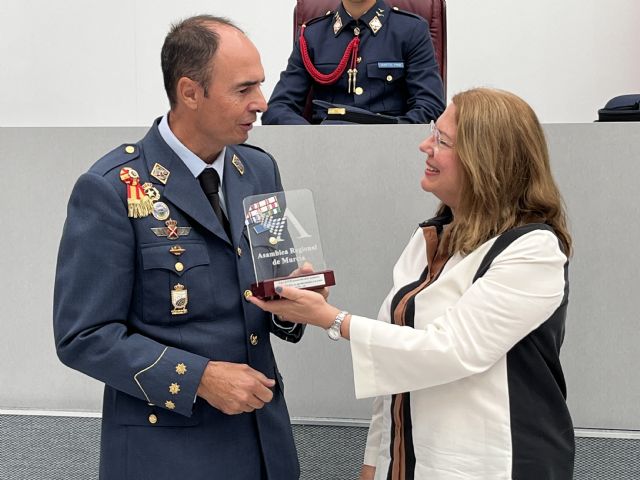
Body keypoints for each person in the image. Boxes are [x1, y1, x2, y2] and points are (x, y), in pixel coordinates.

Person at [250, 88, 575, 479]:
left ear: (486, 159)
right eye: (432, 132)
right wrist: (375, 462)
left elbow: (450, 350)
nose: (425, 146)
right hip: (411, 464)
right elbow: (394, 364)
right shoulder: (430, 240)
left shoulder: (533, 250)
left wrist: (331, 319)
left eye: (442, 140)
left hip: (499, 465)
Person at [53, 15, 303, 480]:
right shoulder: (112, 189)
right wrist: (200, 378)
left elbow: (269, 297)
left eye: (260, 86)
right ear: (190, 92)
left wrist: (293, 305)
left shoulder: (258, 170)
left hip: (263, 441)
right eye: (243, 90)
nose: (262, 103)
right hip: (167, 451)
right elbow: (82, 337)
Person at [261, 0, 445, 125]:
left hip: (389, 150)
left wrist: (392, 135)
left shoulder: (410, 30)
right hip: (324, 151)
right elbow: (278, 108)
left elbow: (430, 106)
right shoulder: (312, 35)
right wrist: (311, 137)